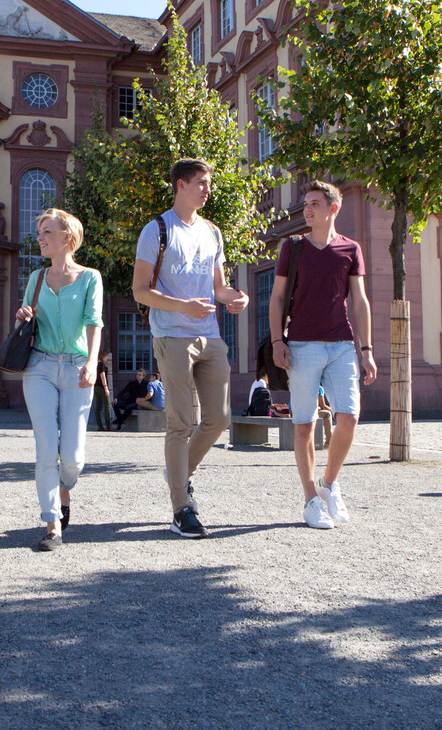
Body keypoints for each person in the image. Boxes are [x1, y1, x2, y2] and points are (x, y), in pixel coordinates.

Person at [133, 158, 249, 538]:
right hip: (172, 333)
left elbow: (218, 287)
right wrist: (183, 306)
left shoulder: (213, 232)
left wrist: (236, 297)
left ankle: (179, 472)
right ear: (180, 185)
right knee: (181, 422)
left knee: (219, 420)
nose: (207, 189)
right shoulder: (157, 230)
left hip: (210, 333)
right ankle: (182, 508)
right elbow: (140, 291)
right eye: (200, 182)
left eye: (209, 182)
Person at [268, 180, 377, 530]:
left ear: (333, 208)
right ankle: (310, 500)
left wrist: (367, 349)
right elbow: (277, 298)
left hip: (342, 344)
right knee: (304, 426)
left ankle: (328, 484)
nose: (307, 209)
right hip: (301, 346)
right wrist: (276, 341)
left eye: (315, 202)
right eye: (305, 203)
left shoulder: (350, 249)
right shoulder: (293, 248)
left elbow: (359, 302)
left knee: (349, 416)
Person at [14, 208, 103, 551]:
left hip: (78, 367)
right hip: (39, 366)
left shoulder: (89, 277)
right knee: (45, 447)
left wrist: (93, 362)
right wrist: (24, 314)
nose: (40, 238)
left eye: (46, 232)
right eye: (39, 233)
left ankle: (65, 489)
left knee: (73, 458)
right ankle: (52, 523)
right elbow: (27, 318)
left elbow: (94, 322)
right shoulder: (36, 279)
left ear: (67, 238)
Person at [92, 350, 113, 432]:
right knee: (107, 406)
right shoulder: (101, 365)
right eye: (106, 356)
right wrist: (106, 387)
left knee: (98, 407)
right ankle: (108, 425)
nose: (107, 358)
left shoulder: (95, 364)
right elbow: (102, 375)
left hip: (95, 387)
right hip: (101, 387)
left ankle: (100, 425)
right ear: (103, 356)